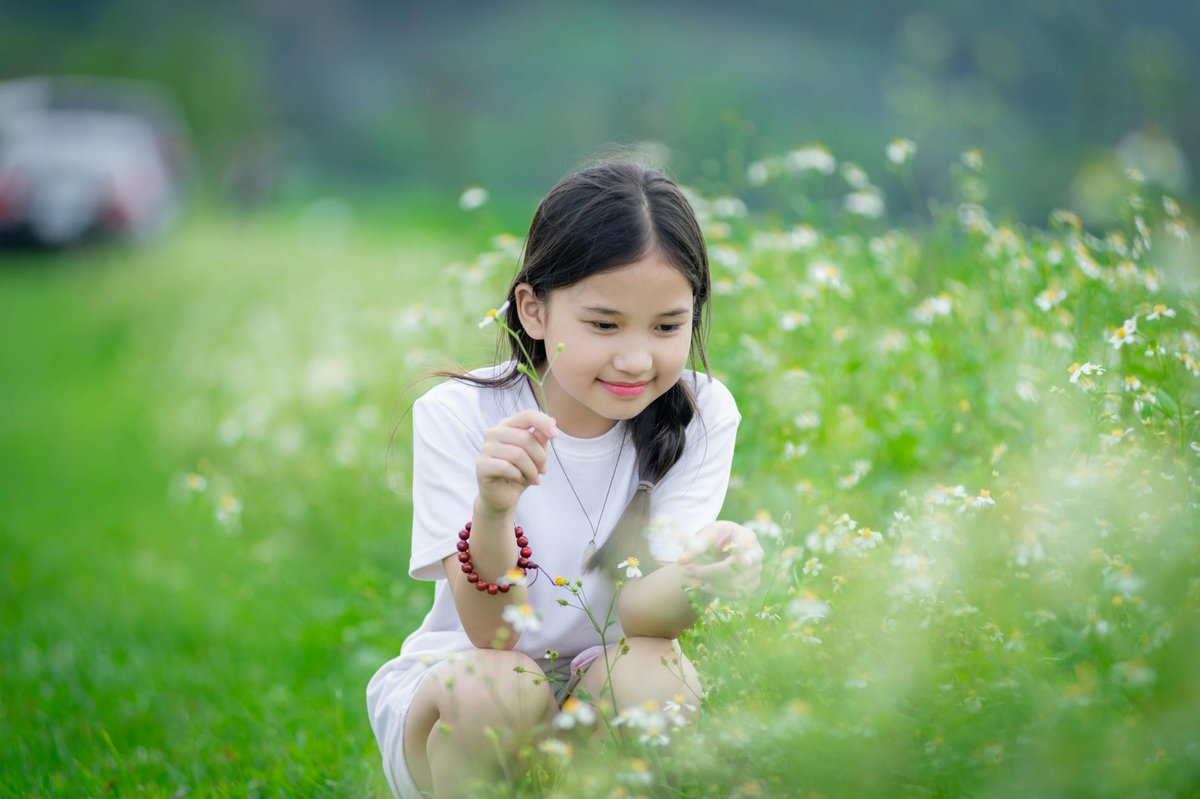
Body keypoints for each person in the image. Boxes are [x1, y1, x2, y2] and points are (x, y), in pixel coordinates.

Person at [366, 159, 763, 798]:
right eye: (604, 324)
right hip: (469, 694)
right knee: (500, 685)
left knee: (653, 672)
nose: (636, 358)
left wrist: (704, 575)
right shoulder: (462, 415)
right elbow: (495, 636)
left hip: (601, 689)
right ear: (533, 310)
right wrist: (494, 512)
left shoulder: (701, 413)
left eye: (668, 327)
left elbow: (641, 618)